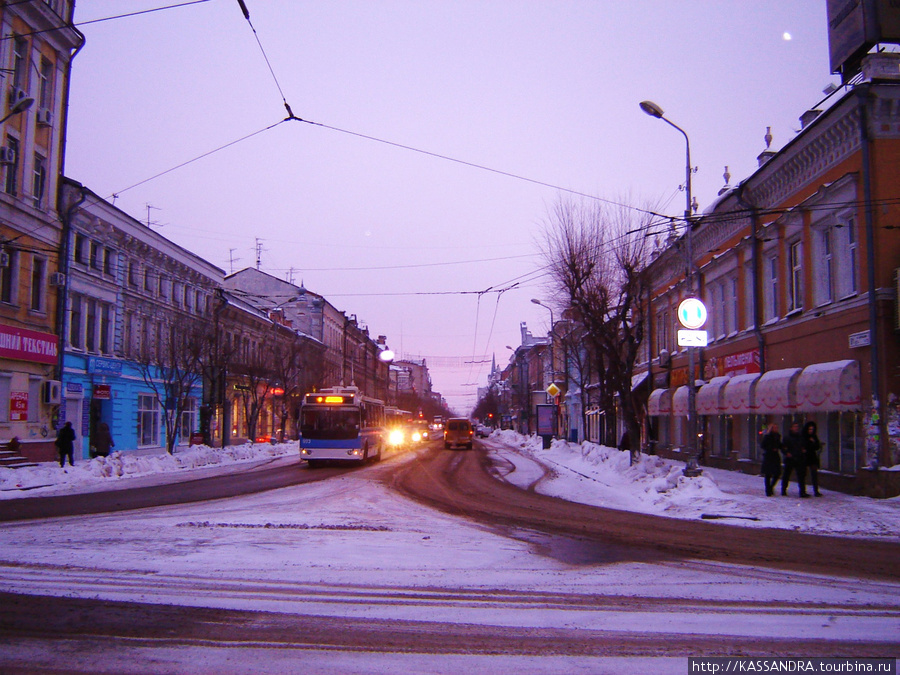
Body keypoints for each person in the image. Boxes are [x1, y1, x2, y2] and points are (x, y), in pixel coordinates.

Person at [781, 421, 807, 497]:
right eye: (795, 427)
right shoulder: (787, 438)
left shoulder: (800, 437)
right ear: (791, 428)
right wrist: (786, 453)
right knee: (786, 475)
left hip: (799, 458)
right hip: (790, 458)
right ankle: (783, 490)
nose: (796, 428)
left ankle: (802, 491)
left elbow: (803, 445)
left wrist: (803, 450)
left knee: (801, 476)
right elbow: (783, 448)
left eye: (797, 427)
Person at [759, 423, 783, 496]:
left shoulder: (778, 436)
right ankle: (768, 490)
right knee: (768, 474)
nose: (776, 429)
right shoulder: (767, 436)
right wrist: (771, 448)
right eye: (774, 428)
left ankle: (771, 487)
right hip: (768, 456)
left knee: (777, 473)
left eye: (777, 428)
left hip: (775, 456)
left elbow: (779, 445)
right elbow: (763, 445)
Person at [802, 421, 822, 497]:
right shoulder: (803, 437)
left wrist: (814, 442)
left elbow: (817, 446)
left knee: (814, 474)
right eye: (810, 429)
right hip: (805, 456)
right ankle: (803, 491)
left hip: (812, 456)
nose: (811, 431)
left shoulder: (814, 437)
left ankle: (816, 490)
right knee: (804, 474)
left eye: (812, 429)